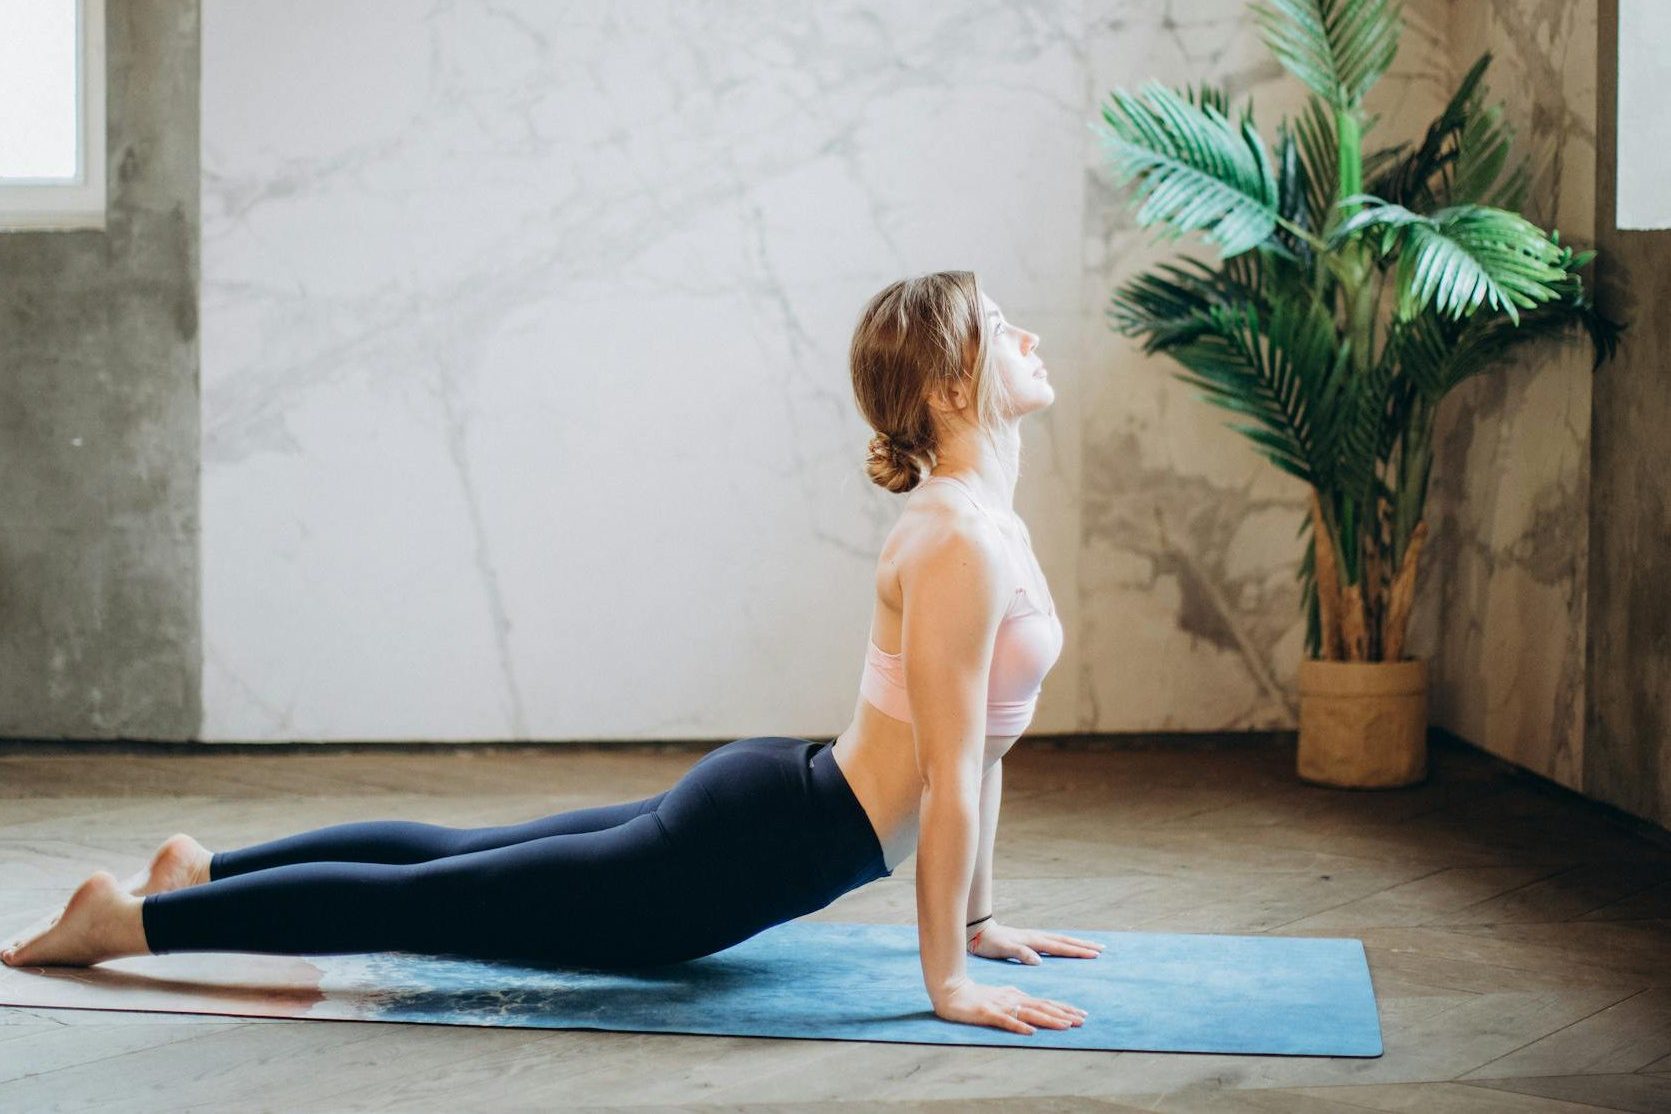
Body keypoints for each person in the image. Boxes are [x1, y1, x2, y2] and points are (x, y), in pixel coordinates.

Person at [3, 271, 1100, 1037]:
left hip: (778, 809)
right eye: (1003, 326)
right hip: (747, 851)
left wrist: (979, 920)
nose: (1031, 338)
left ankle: (204, 871)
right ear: (954, 387)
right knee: (426, 903)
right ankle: (130, 921)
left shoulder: (985, 525)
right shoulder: (957, 540)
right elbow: (948, 777)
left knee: (453, 856)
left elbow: (983, 754)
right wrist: (946, 976)